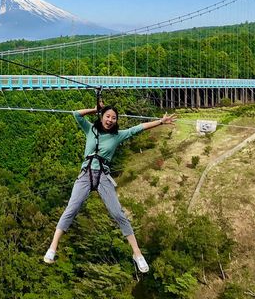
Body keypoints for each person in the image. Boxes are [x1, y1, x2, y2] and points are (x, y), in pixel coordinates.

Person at [44, 99, 176, 273]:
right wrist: (94, 109)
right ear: (102, 117)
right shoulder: (90, 129)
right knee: (71, 208)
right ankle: (53, 247)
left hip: (103, 177)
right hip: (85, 175)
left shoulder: (118, 135)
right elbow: (75, 114)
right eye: (107, 116)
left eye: (114, 118)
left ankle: (137, 254)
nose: (110, 120)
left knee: (117, 213)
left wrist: (160, 121)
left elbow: (139, 128)